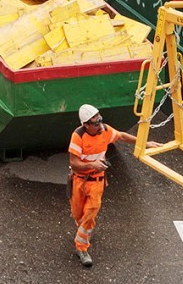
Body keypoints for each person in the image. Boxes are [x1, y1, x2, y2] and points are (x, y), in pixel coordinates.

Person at [67, 104, 129, 267]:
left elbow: (121, 136)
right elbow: (74, 164)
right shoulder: (78, 136)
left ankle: (81, 248)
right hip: (79, 181)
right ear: (85, 125)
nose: (100, 125)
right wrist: (92, 165)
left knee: (90, 215)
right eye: (96, 123)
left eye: (101, 120)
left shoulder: (105, 131)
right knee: (78, 214)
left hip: (97, 183)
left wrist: (145, 143)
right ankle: (85, 231)